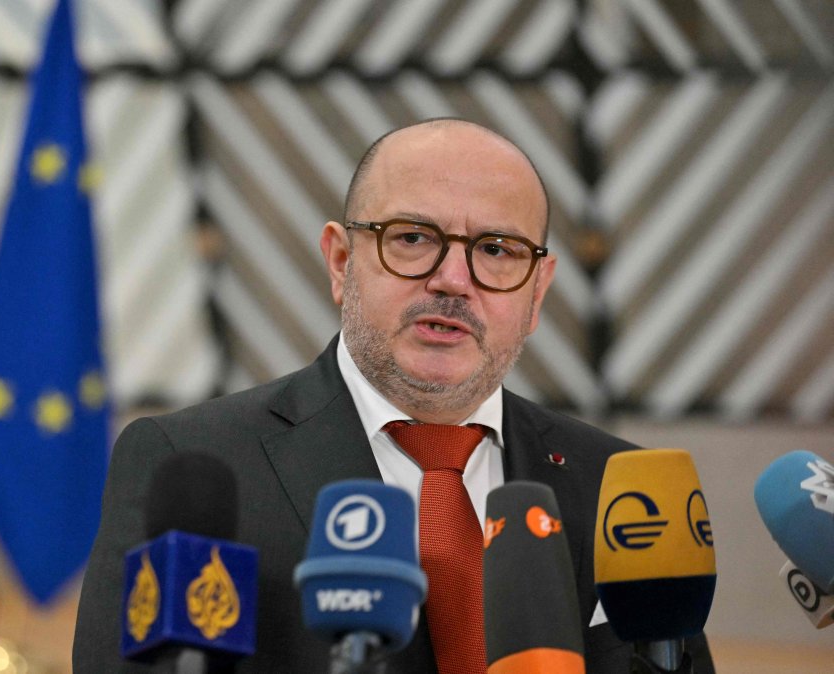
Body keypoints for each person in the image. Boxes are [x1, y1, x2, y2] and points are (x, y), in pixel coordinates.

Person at [73, 118, 714, 673]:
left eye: (496, 249)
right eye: (412, 237)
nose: (453, 280)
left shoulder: (614, 486)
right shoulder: (197, 463)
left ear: (538, 291)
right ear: (342, 261)